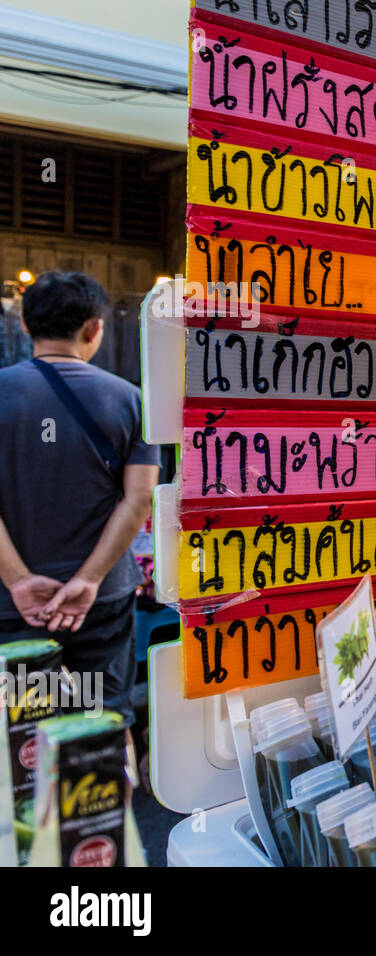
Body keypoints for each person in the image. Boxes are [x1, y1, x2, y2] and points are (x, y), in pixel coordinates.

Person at [0, 272, 160, 716]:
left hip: (13, 609)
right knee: (100, 721)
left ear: (25, 326)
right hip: (100, 606)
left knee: (26, 731)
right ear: (94, 328)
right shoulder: (133, 401)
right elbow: (139, 500)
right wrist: (88, 579)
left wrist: (19, 582)